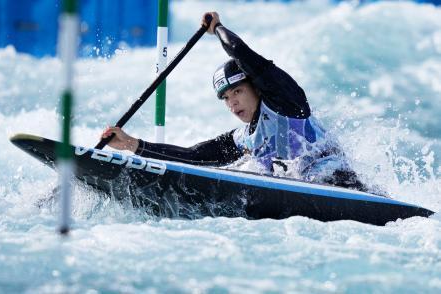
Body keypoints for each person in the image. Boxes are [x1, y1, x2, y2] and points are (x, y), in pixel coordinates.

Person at [102, 12, 368, 192]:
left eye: (237, 92)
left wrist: (216, 28)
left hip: (344, 187)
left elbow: (242, 53)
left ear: (255, 86)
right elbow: (194, 156)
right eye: (226, 98)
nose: (232, 103)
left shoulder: (286, 103)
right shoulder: (244, 138)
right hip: (307, 193)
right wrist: (131, 144)